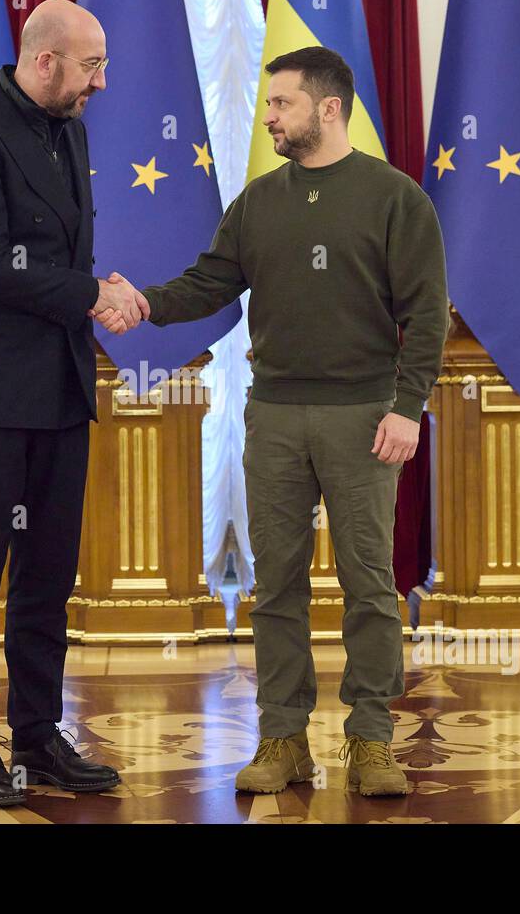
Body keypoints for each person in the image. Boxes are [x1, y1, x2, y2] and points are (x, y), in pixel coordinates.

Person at [96, 46, 449, 797]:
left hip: (366, 419)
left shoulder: (397, 199)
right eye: (268, 106)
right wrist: (146, 301)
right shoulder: (258, 201)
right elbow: (211, 282)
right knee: (277, 584)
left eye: (281, 105)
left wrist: (407, 407)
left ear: (327, 109)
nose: (269, 118)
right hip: (276, 416)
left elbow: (426, 317)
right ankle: (282, 736)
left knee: (369, 585)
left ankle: (371, 740)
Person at [0, 0, 143, 807]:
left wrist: (95, 294)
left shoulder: (70, 131)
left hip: (58, 388)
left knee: (49, 573)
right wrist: (93, 294)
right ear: (45, 61)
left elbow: (53, 255)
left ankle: (39, 734)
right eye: (92, 65)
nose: (103, 81)